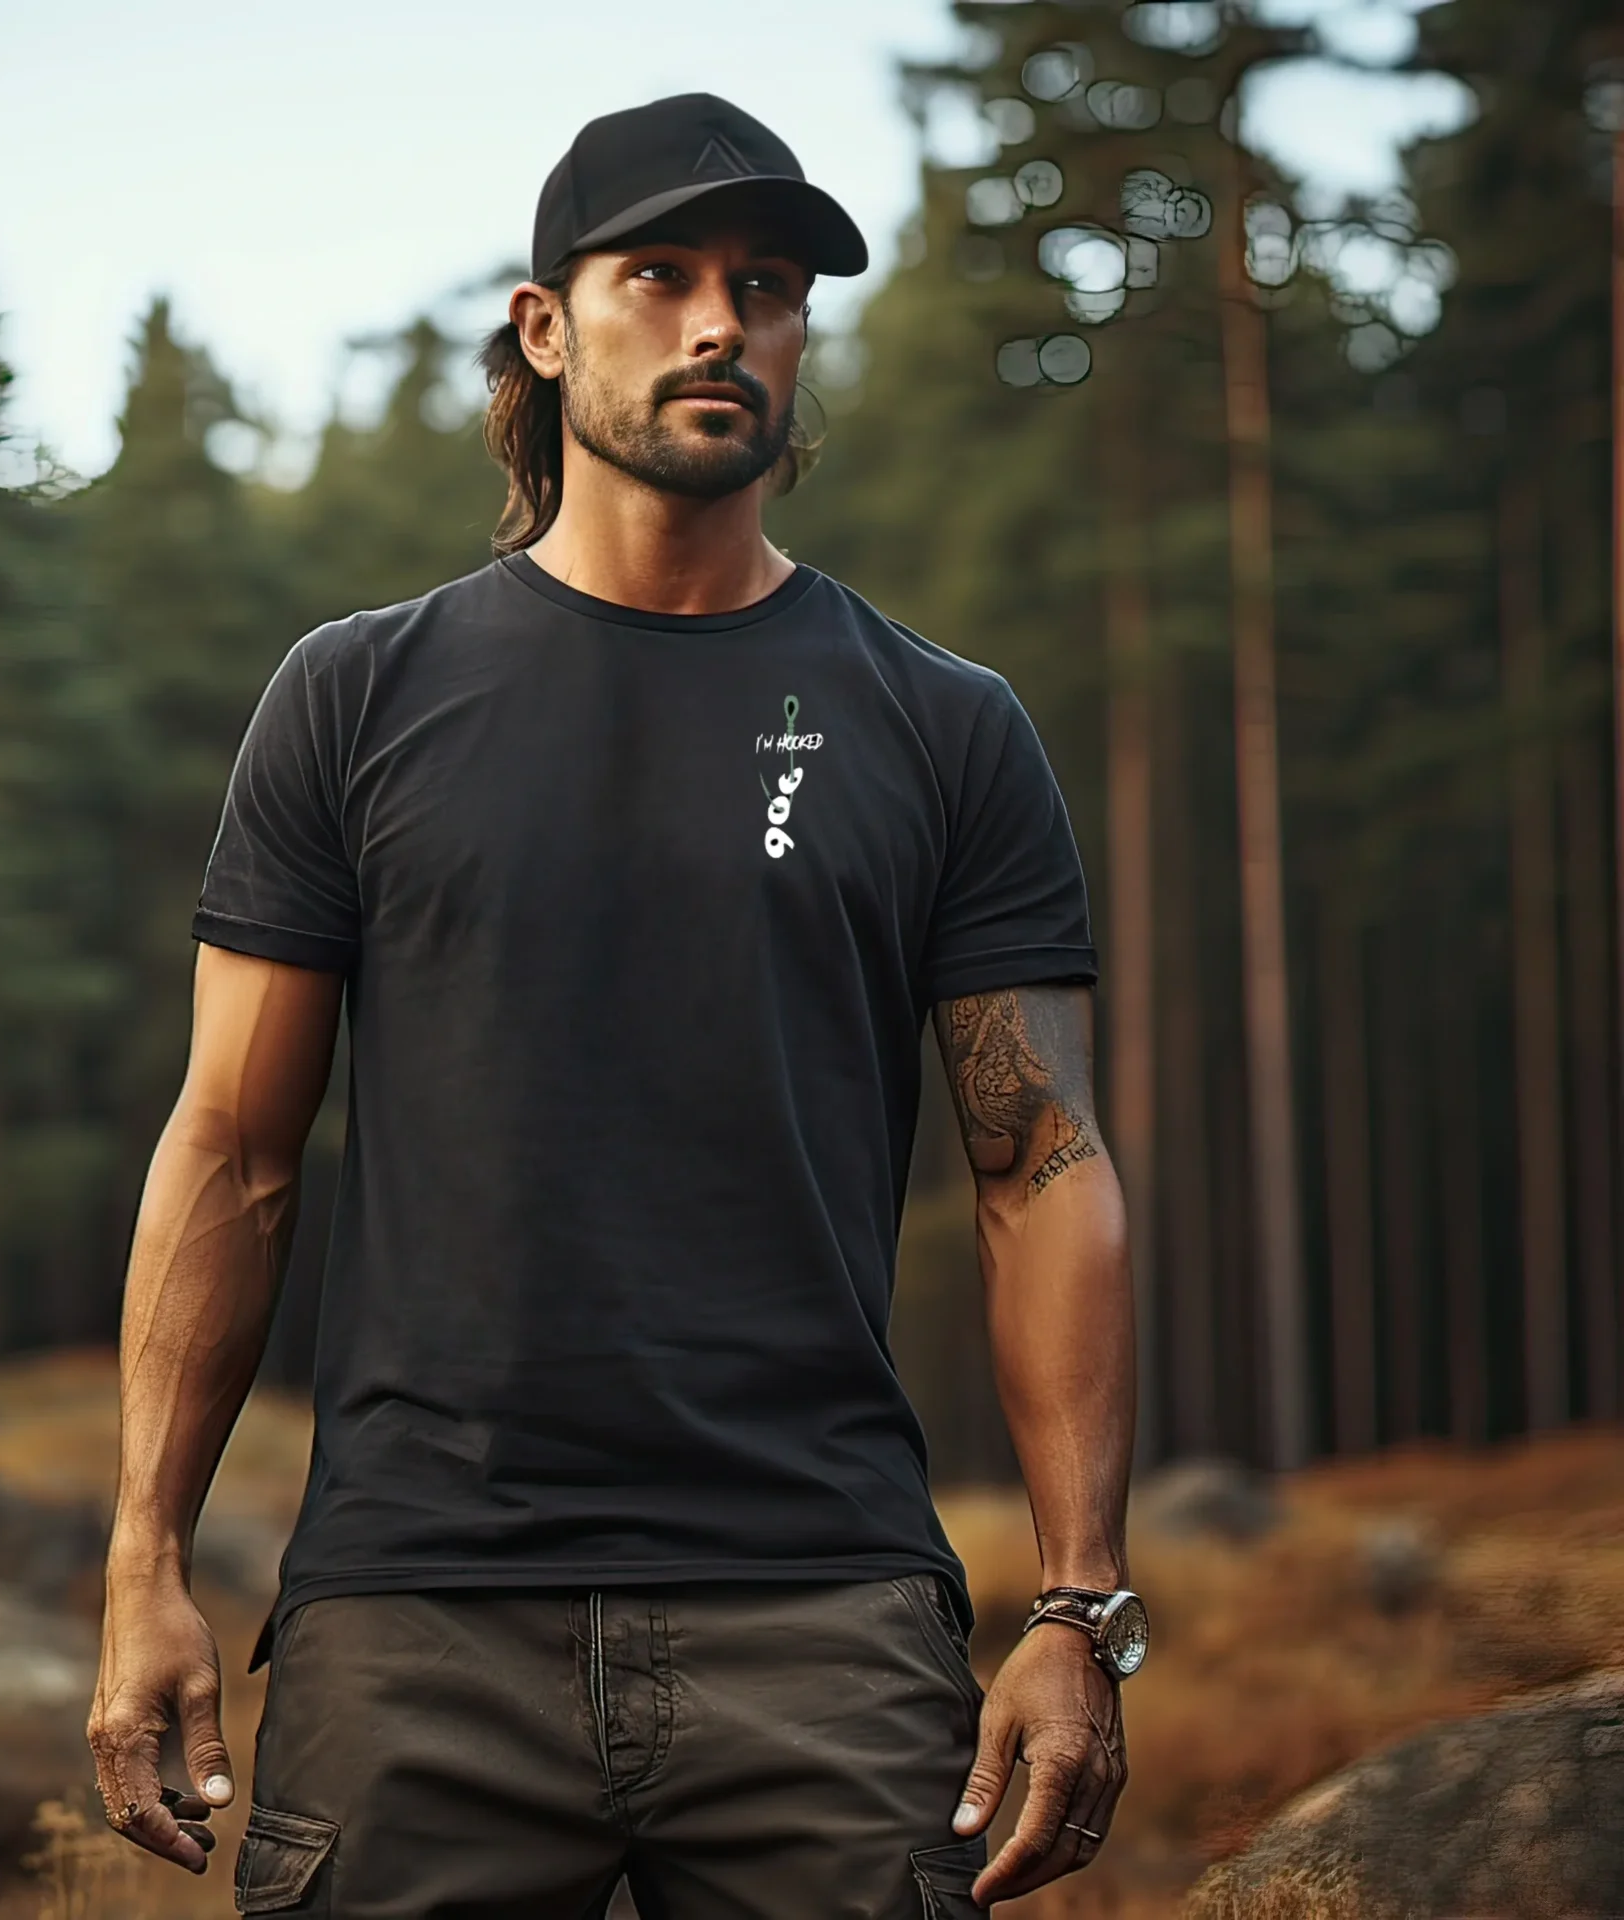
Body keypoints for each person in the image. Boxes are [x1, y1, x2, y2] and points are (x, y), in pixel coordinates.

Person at [87, 92, 1142, 1919]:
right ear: (546, 325)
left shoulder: (946, 726)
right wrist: (142, 1562)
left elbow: (1039, 1161)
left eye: (770, 286)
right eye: (660, 276)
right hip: (418, 1624)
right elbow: (235, 1154)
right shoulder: (354, 698)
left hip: (825, 1612)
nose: (724, 321)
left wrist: (1076, 1608)